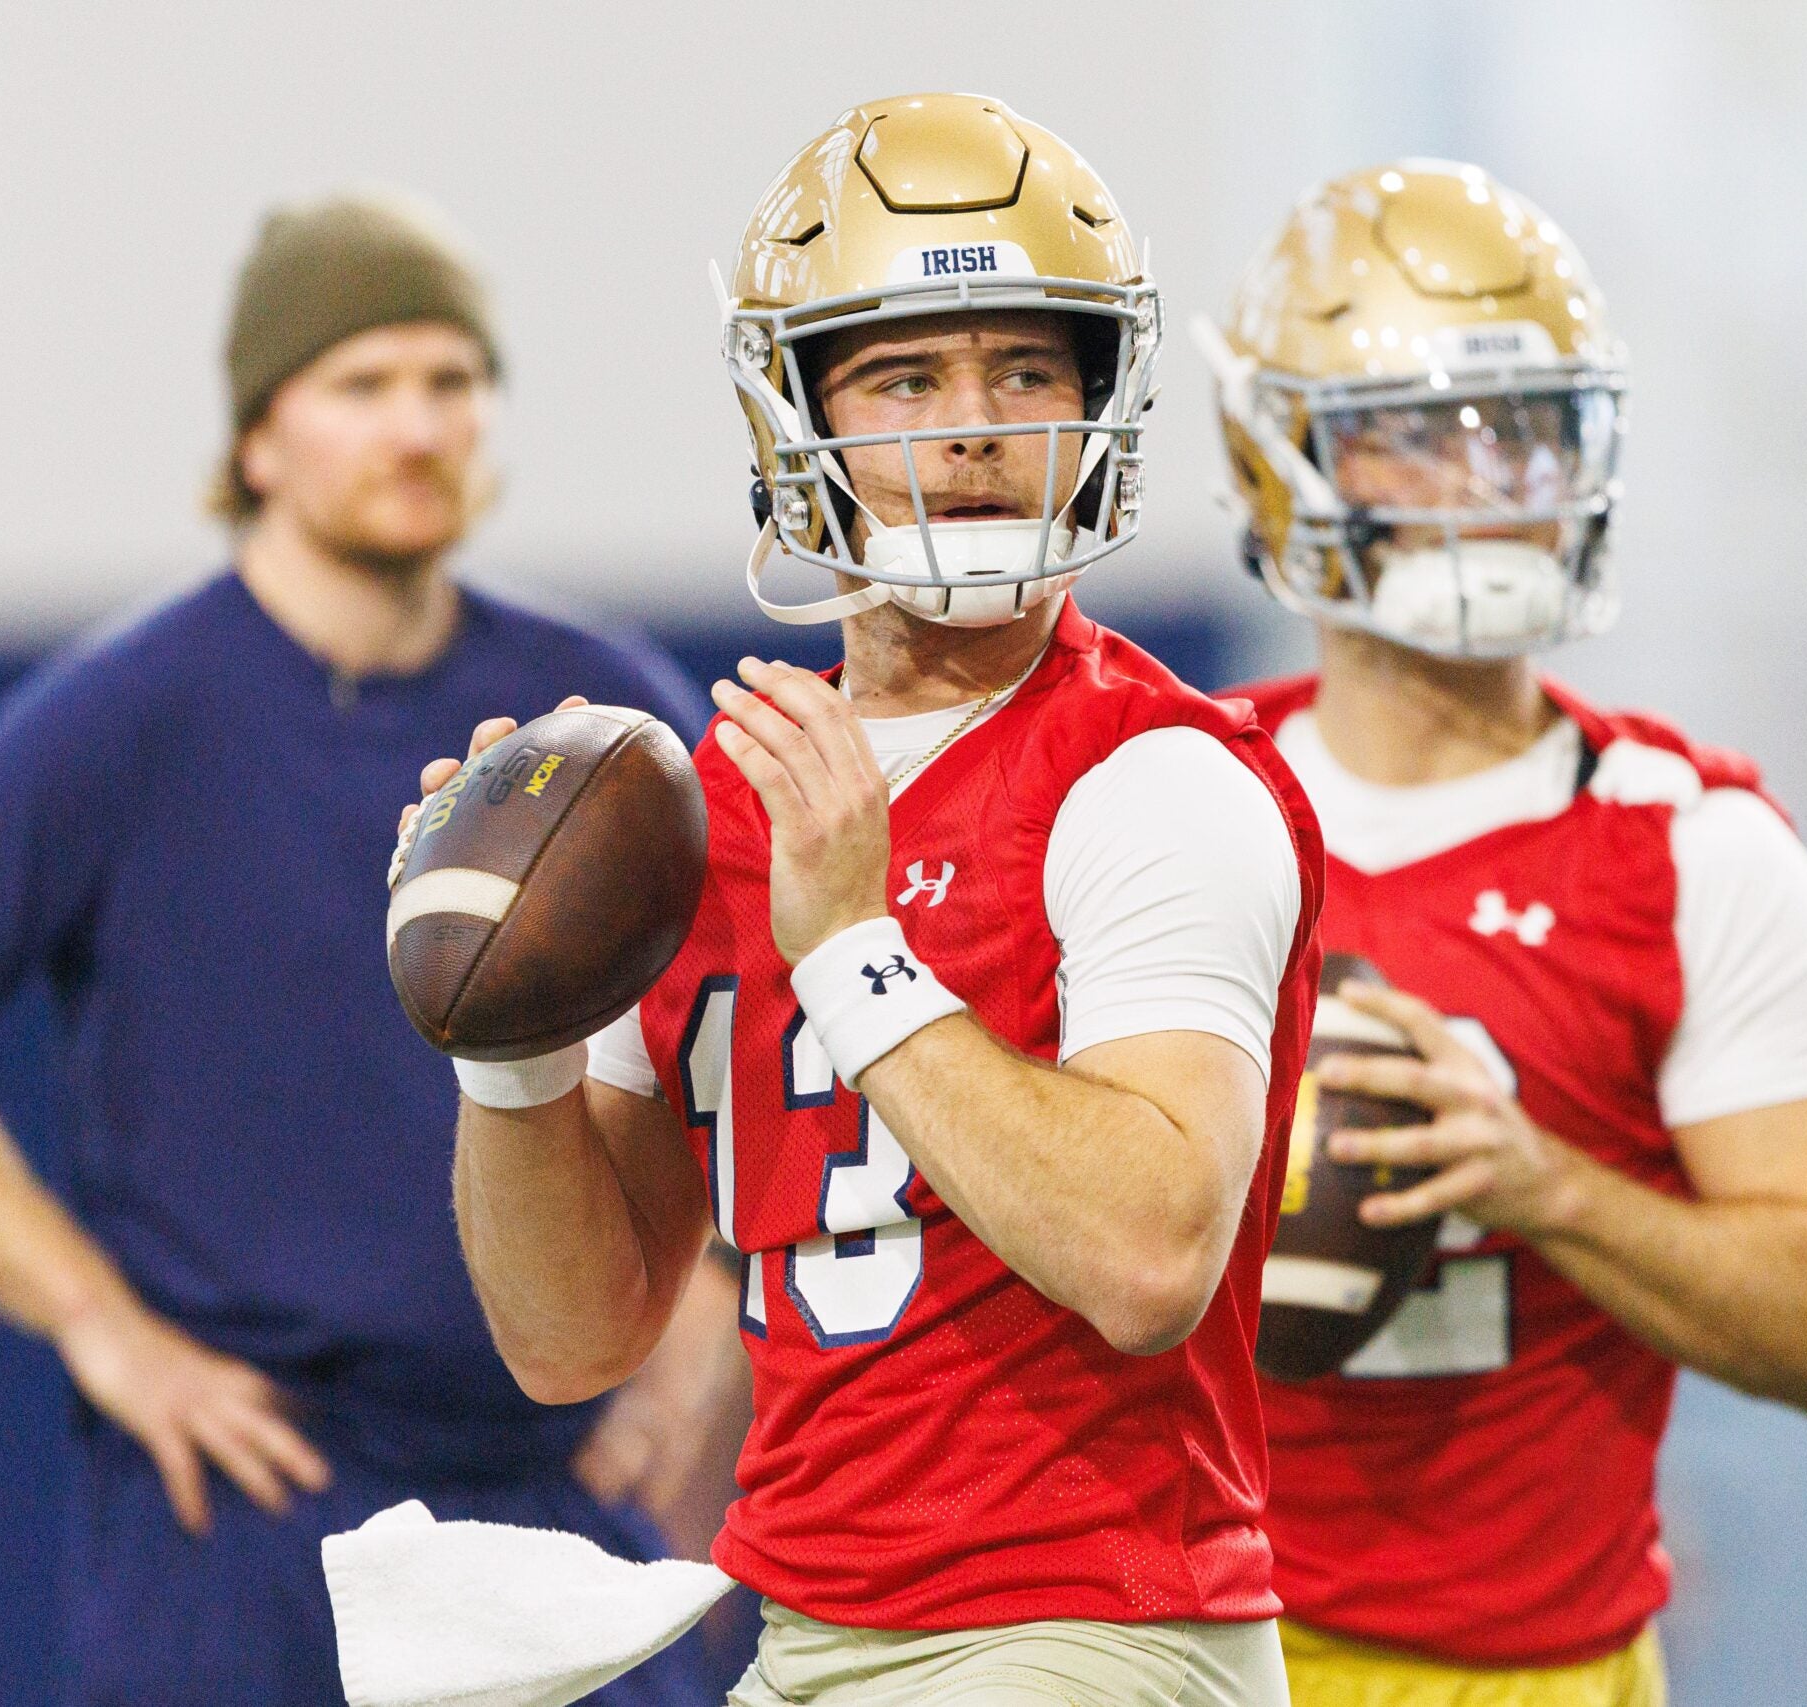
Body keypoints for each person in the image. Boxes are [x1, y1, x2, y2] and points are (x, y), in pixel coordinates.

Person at [414, 94, 1325, 1705]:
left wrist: (852, 945)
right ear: (791, 421)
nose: (973, 428)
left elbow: (1146, 1253)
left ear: (1099, 406)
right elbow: (573, 1338)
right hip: (813, 1633)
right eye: (906, 375)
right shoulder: (703, 810)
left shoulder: (1157, 781)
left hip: (1094, 1630)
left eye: (1027, 372)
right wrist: (509, 1031)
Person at [0, 190, 717, 1706]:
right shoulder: (142, 707)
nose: (417, 424)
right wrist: (95, 1322)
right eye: (361, 384)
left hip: (544, 1492)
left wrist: (698, 1305)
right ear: (258, 440)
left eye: (450, 380)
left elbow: (719, 1021)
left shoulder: (584, 713)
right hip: (250, 1505)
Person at [1197, 160, 1807, 1705]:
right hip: (1181, 1642)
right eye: (1423, 434)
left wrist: (1545, 1186)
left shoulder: (1688, 850)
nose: (1491, 482)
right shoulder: (1165, 808)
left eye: (1525, 429)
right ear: (1283, 459)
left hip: (1531, 1670)